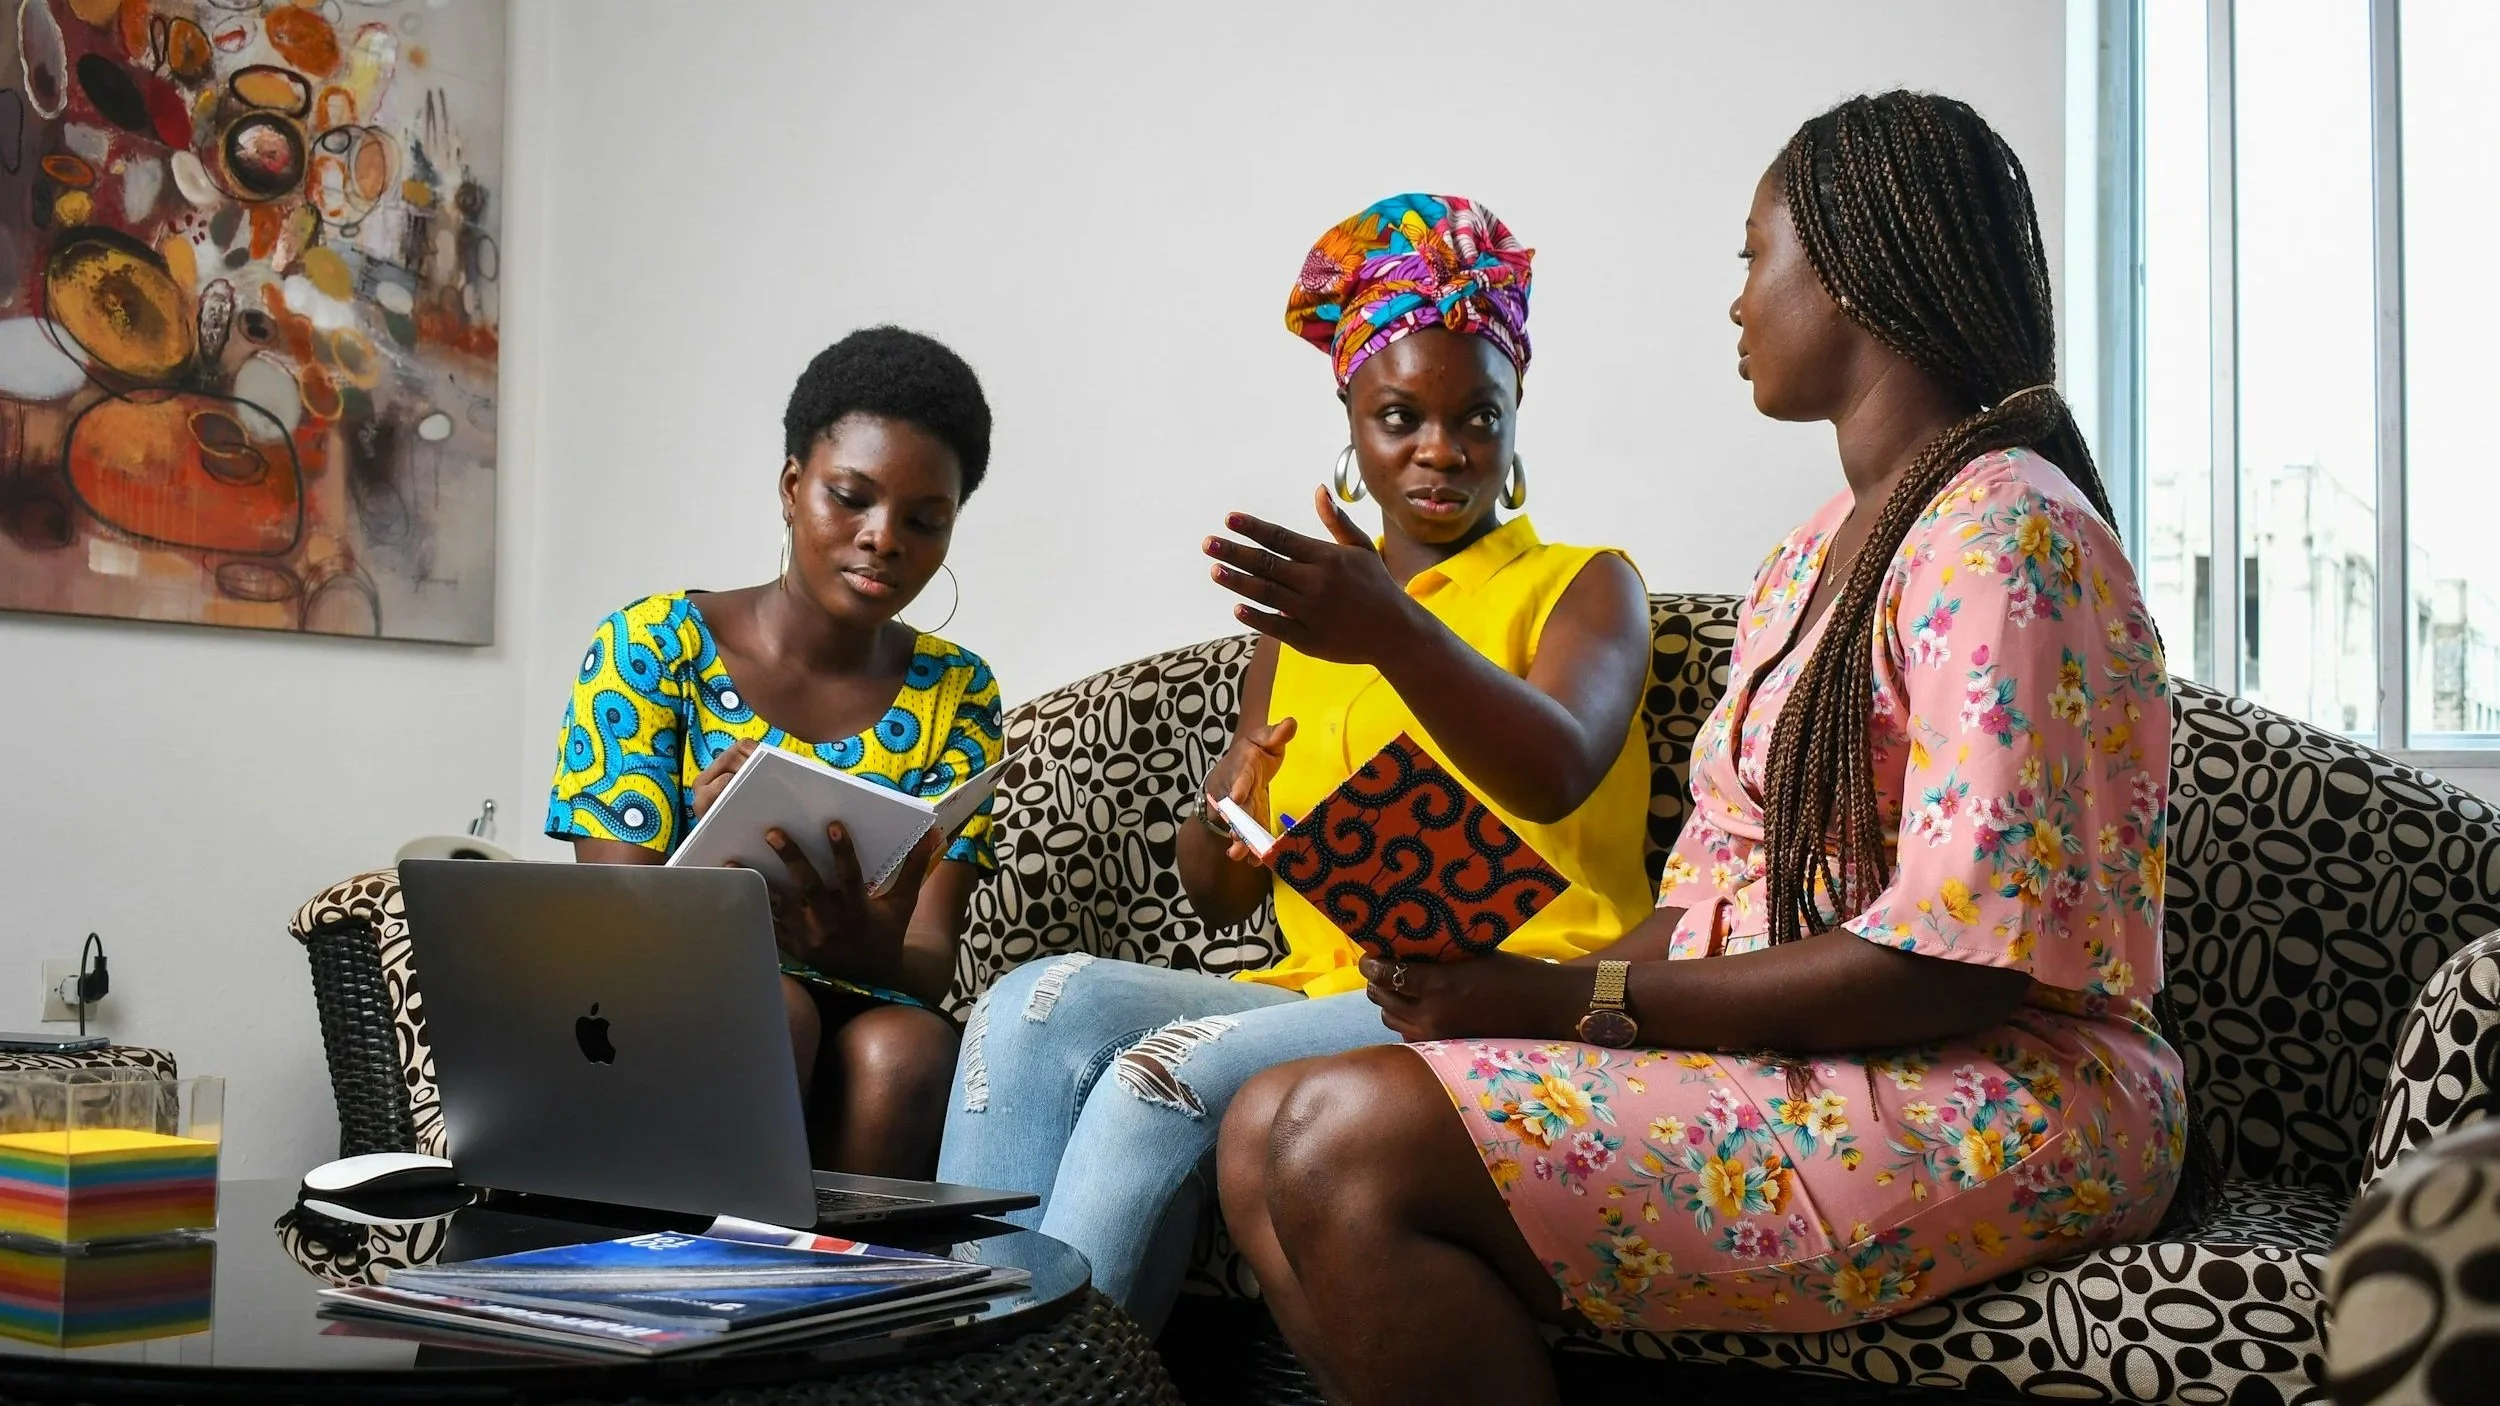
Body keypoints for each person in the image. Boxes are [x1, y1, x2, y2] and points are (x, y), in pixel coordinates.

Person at [1218, 92, 2201, 1406]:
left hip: (2003, 1088)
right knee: (1258, 1126)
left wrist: (1578, 1008)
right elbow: (1709, 898)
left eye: (1754, 256)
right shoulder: (1810, 555)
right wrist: (1489, 979)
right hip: (1823, 1059)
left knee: (1341, 1140)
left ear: (1850, 267)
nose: (1738, 301)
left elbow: (1955, 970)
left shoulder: (2007, 534)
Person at [936, 193, 1657, 1333]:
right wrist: (1226, 810)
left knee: (1156, 1074)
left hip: (1510, 981)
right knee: (1032, 1004)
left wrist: (1389, 624)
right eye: (1400, 416)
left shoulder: (1582, 584)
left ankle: (1043, 1376)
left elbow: (1558, 769)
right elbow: (1223, 889)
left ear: (1519, 418)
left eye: (1479, 414)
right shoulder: (1303, 626)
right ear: (1350, 421)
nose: (1441, 449)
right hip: (1322, 989)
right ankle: (966, 1360)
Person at [545, 326, 1002, 1180]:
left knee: (907, 1046)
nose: (883, 537)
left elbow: (927, 969)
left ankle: (849, 1306)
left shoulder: (959, 692)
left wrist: (854, 938)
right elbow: (610, 933)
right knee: (774, 1006)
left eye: (924, 519)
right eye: (850, 497)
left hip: (861, 1000)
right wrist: (713, 869)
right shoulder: (651, 646)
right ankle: (717, 1289)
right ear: (793, 487)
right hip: (669, 995)